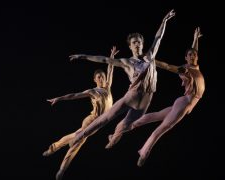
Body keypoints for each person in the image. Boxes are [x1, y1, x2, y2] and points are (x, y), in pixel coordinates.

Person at [69, 10, 175, 150]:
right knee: (106, 117)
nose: (137, 44)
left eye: (139, 42)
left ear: (142, 44)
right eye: (134, 43)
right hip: (131, 97)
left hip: (144, 103)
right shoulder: (127, 62)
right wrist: (83, 56)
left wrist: (164, 21)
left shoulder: (150, 57)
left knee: (124, 127)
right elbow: (105, 59)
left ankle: (112, 138)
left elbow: (158, 38)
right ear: (130, 46)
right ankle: (80, 136)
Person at [129, 27, 205, 166]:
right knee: (163, 127)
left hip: (184, 103)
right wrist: (153, 61)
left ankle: (131, 124)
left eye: (194, 55)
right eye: (189, 55)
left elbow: (194, 51)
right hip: (185, 103)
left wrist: (195, 39)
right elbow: (168, 66)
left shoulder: (195, 67)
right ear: (186, 58)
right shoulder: (186, 69)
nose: (193, 56)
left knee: (157, 115)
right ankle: (144, 152)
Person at [43, 46, 119, 180]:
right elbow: (74, 95)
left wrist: (111, 57)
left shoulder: (108, 88)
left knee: (75, 136)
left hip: (100, 123)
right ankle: (61, 169)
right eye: (99, 77)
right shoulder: (92, 91)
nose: (102, 79)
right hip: (91, 120)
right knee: (77, 141)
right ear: (95, 79)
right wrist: (59, 98)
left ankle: (54, 147)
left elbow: (111, 69)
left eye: (103, 77)